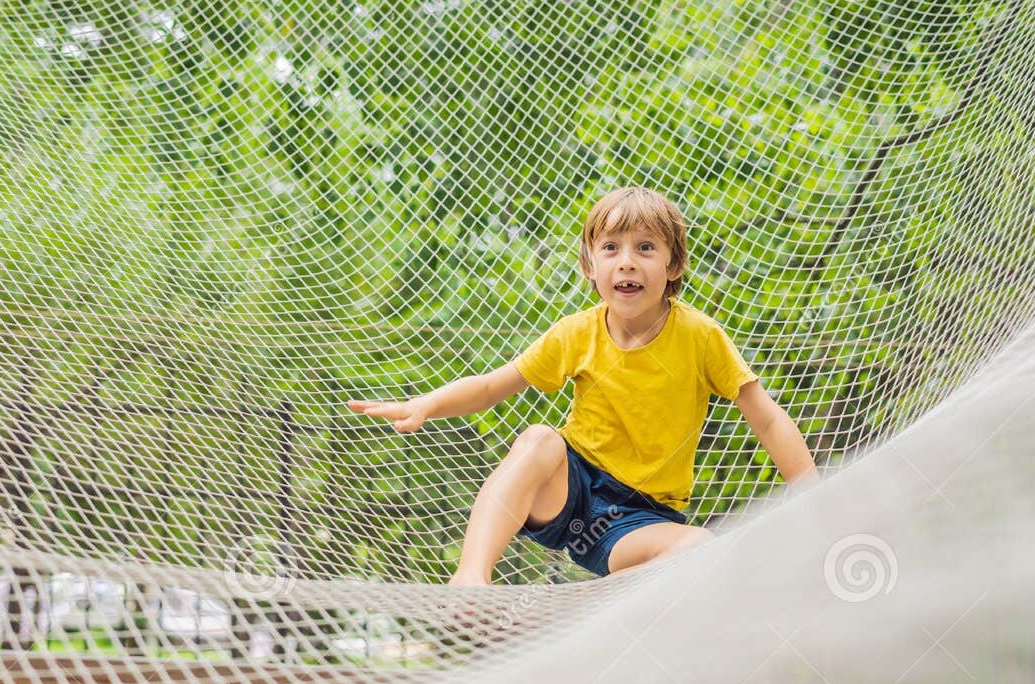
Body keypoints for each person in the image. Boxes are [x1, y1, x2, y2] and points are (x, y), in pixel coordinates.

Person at [348, 186, 819, 584]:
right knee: (538, 439)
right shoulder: (576, 332)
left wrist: (816, 497)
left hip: (637, 519)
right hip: (570, 489)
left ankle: (620, 613)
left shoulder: (701, 337)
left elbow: (768, 419)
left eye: (646, 248)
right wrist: (426, 404)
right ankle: (471, 577)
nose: (627, 262)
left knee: (699, 545)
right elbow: (494, 387)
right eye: (611, 248)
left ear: (674, 266)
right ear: (590, 266)